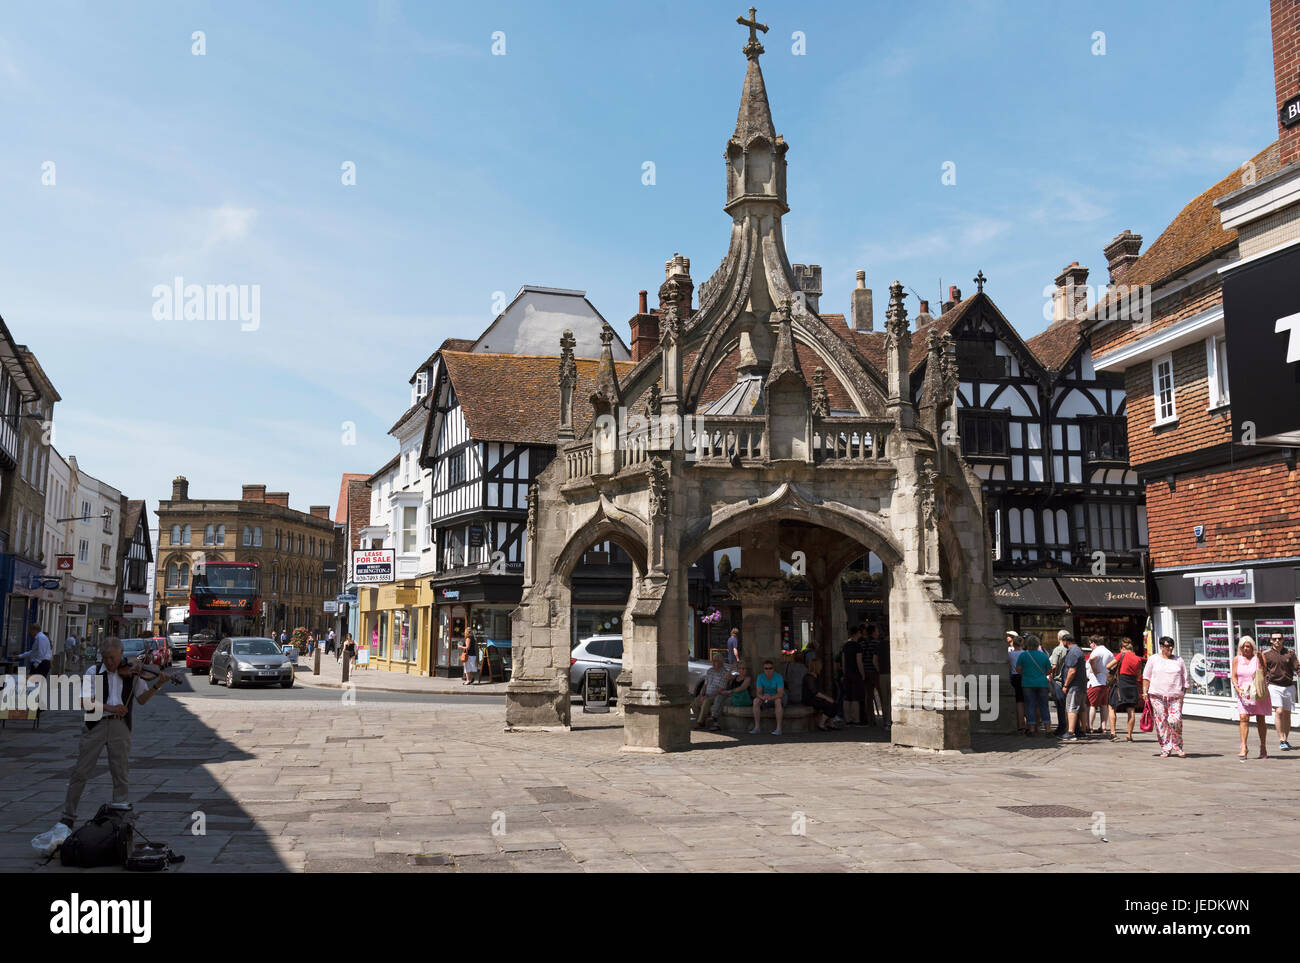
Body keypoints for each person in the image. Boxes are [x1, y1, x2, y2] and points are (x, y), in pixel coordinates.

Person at [59, 638, 172, 828]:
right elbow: (85, 702)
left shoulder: (132, 673)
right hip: (95, 725)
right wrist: (111, 708)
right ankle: (68, 816)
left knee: (120, 772)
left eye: (112, 657)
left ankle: (119, 816)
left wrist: (157, 685)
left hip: (121, 726)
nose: (109, 662)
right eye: (105, 657)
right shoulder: (93, 671)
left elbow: (142, 699)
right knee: (81, 771)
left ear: (121, 654)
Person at [1142, 636, 1190, 758]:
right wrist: (1144, 692)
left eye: (1172, 646)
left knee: (1175, 720)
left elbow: (1185, 678)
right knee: (1161, 721)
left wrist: (1183, 693)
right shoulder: (1153, 659)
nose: (1170, 648)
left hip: (1175, 696)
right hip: (1157, 696)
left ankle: (1178, 745)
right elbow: (1146, 677)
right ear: (1161, 646)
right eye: (1167, 646)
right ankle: (1165, 747)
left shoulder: (1179, 660)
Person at [1231, 636, 1271, 760]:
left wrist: (1261, 660)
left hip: (1257, 691)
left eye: (1248, 646)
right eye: (1243, 647)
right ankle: (1243, 746)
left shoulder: (1258, 657)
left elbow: (1264, 673)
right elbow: (1233, 676)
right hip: (1244, 692)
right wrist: (1237, 689)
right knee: (1243, 717)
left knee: (1260, 718)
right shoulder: (1237, 659)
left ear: (1252, 647)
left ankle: (1263, 746)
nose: (1246, 649)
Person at [1261, 631, 1297, 751]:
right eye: (1275, 639)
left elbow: (1297, 667)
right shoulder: (1265, 654)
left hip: (1289, 686)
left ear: (1283, 640)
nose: (1277, 641)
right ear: (1270, 640)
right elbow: (1262, 670)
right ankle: (1281, 739)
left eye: (1279, 639)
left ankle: (1285, 740)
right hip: (1274, 686)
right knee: (1279, 711)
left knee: (1287, 714)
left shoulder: (1290, 653)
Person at [1107, 638, 1144, 742]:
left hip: (1120, 684)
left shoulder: (1122, 655)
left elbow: (1108, 666)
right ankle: (1129, 736)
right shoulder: (1138, 659)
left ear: (1123, 648)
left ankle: (1113, 734)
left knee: (1111, 707)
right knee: (1131, 710)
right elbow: (1138, 675)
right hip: (1132, 684)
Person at [1017, 634, 1053, 736]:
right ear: (1038, 644)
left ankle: (1032, 729)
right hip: (1042, 683)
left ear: (1027, 644)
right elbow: (1049, 670)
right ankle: (1048, 729)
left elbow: (1018, 669)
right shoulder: (1043, 655)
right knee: (1044, 706)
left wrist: (1026, 674)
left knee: (1030, 706)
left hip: (1027, 683)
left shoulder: (1023, 655)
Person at [1059, 632, 1088, 741]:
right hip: (1081, 684)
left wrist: (1066, 685)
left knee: (1071, 707)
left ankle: (1070, 732)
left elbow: (1071, 671)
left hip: (1074, 685)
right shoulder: (1078, 650)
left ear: (1066, 641)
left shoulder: (1072, 652)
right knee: (1081, 708)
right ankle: (1082, 731)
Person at [1086, 635, 1116, 738]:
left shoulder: (1096, 651)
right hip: (1104, 682)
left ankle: (1090, 727)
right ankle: (1103, 727)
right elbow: (1113, 665)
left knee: (1092, 705)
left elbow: (1092, 659)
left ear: (1094, 643)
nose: (1090, 645)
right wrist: (1107, 673)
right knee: (1104, 705)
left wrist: (1094, 670)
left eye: (1090, 643)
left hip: (1094, 681)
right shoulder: (1109, 652)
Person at [838, 626, 868, 726]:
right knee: (855, 697)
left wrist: (844, 672)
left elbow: (843, 660)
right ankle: (856, 719)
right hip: (856, 673)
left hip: (847, 673)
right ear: (857, 633)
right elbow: (859, 662)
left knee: (847, 697)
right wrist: (862, 674)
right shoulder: (857, 646)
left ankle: (848, 719)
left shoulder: (845, 646)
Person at [694, 651, 731, 730]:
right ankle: (701, 720)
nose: (714, 663)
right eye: (713, 661)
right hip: (707, 694)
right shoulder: (710, 671)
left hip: (715, 695)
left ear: (721, 662)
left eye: (716, 661)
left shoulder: (724, 673)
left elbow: (720, 689)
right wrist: (701, 695)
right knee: (694, 702)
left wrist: (706, 696)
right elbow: (705, 685)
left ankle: (700, 722)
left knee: (706, 701)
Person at [802, 657, 840, 730]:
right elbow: (814, 692)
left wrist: (827, 697)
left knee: (835, 703)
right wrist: (827, 698)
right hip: (810, 699)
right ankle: (821, 724)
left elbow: (820, 690)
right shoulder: (808, 677)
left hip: (817, 697)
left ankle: (831, 724)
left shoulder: (817, 676)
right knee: (829, 704)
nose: (821, 666)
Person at [750, 659, 785, 735]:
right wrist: (763, 697)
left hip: (776, 697)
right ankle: (757, 727)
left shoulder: (778, 677)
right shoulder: (760, 677)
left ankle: (779, 729)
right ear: (763, 669)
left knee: (778, 701)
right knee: (756, 701)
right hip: (765, 698)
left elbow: (780, 693)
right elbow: (758, 693)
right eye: (766, 668)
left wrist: (770, 697)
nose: (768, 670)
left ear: (773, 669)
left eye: (770, 668)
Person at [1048, 630, 1070, 736]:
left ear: (1059, 638)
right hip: (1069, 680)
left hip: (1058, 681)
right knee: (1069, 705)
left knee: (1060, 705)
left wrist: (1051, 675)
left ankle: (1061, 727)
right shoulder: (1070, 649)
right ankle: (1070, 726)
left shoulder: (1058, 649)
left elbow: (1054, 665)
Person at [1007, 631, 1026, 735]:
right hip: (1025, 677)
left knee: (1019, 702)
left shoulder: (1010, 655)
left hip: (1014, 677)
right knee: (1027, 700)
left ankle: (1020, 725)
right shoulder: (1025, 654)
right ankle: (1030, 724)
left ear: (1013, 644)